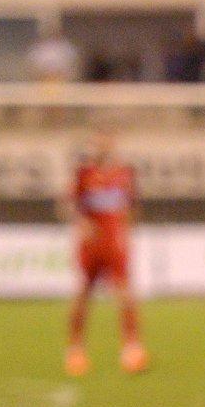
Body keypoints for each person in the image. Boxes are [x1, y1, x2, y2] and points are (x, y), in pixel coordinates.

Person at [61, 130, 146, 376]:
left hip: (115, 244)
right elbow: (69, 206)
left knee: (125, 294)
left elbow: (132, 207)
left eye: (105, 144)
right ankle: (75, 349)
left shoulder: (123, 174)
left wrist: (126, 230)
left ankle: (132, 349)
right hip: (91, 245)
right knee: (83, 294)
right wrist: (82, 224)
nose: (102, 149)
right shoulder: (83, 175)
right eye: (97, 144)